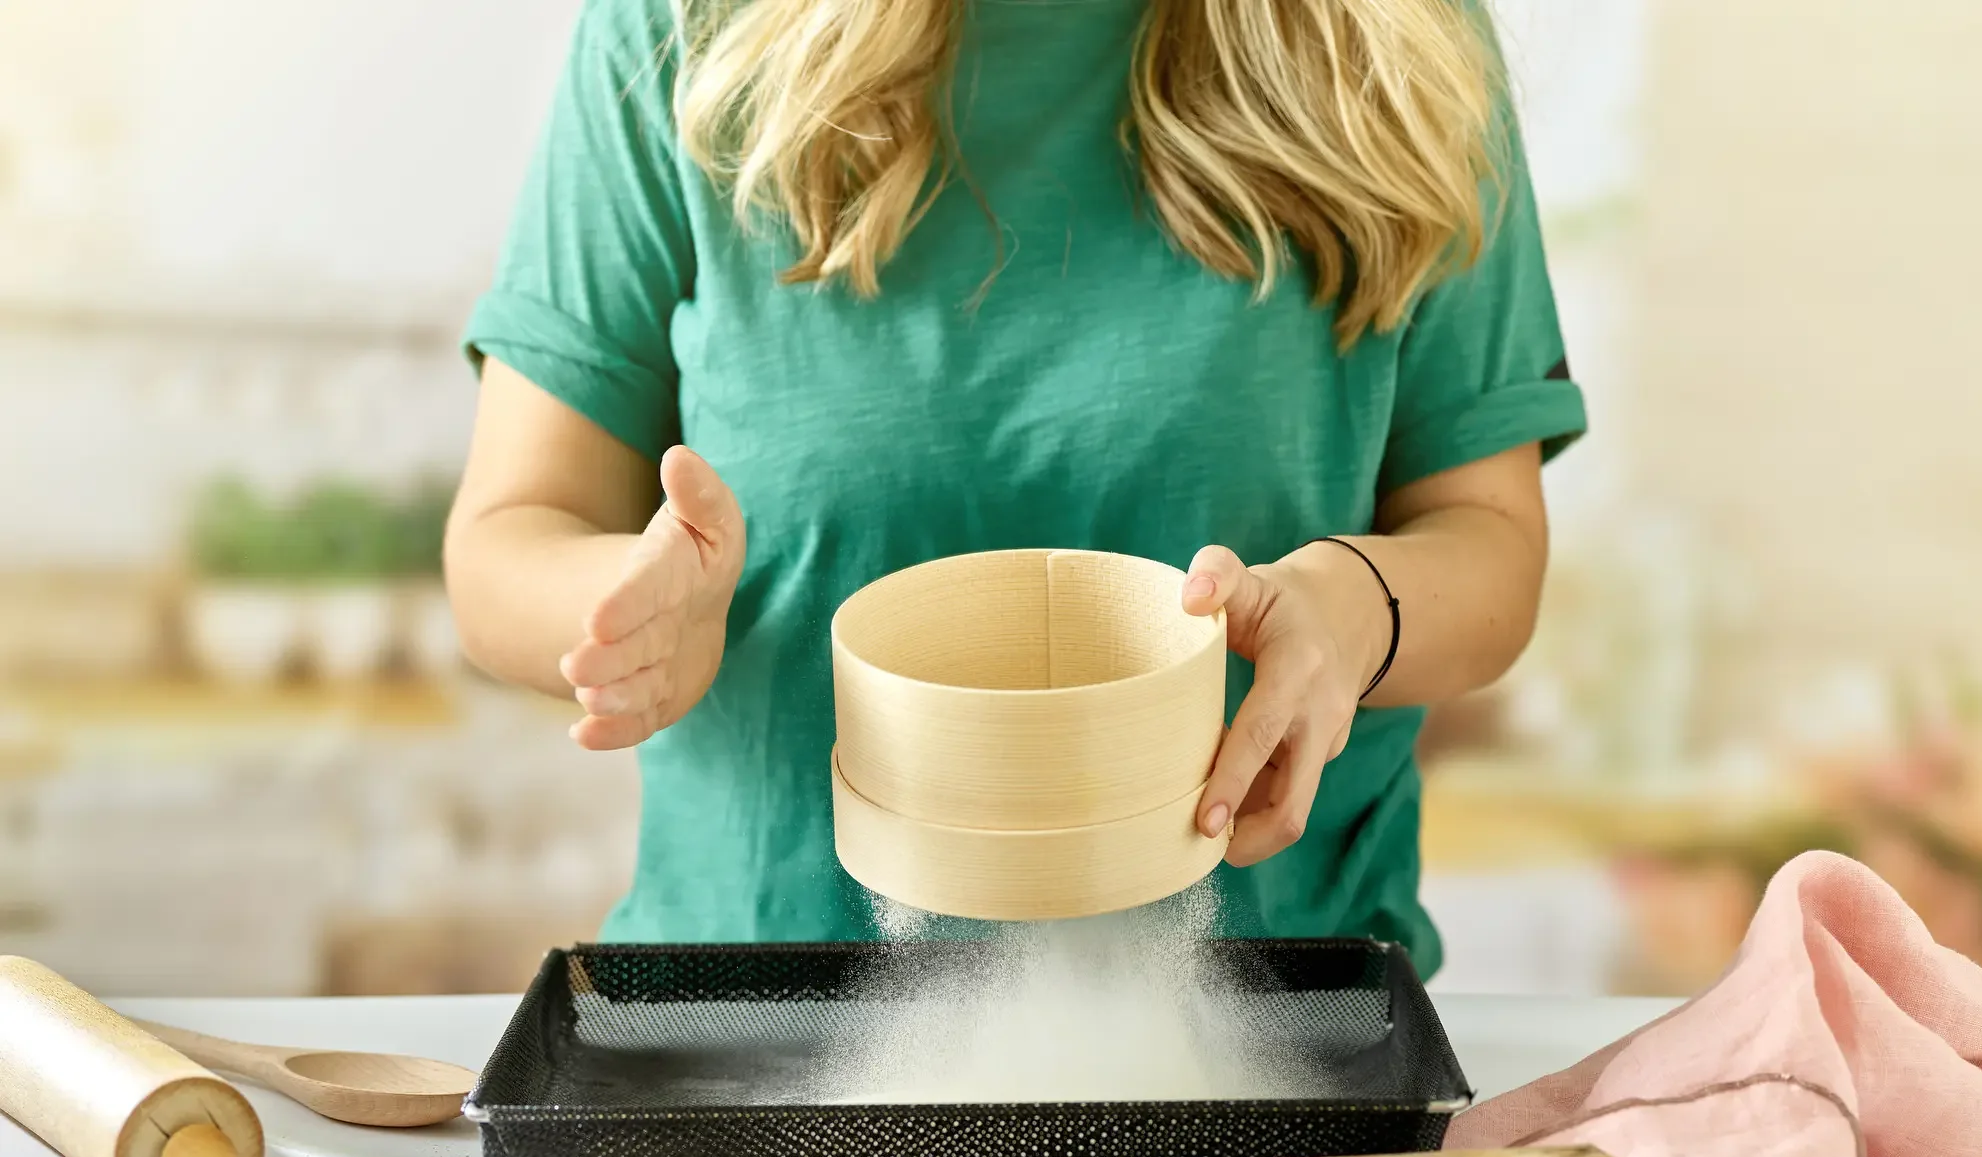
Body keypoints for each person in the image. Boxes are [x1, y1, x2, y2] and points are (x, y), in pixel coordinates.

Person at [444, 0, 1586, 976]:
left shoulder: (1395, 39)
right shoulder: (680, 32)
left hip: (1280, 1035)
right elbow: (505, 542)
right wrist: (634, 615)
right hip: (752, 1031)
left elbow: (1489, 544)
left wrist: (1353, 611)